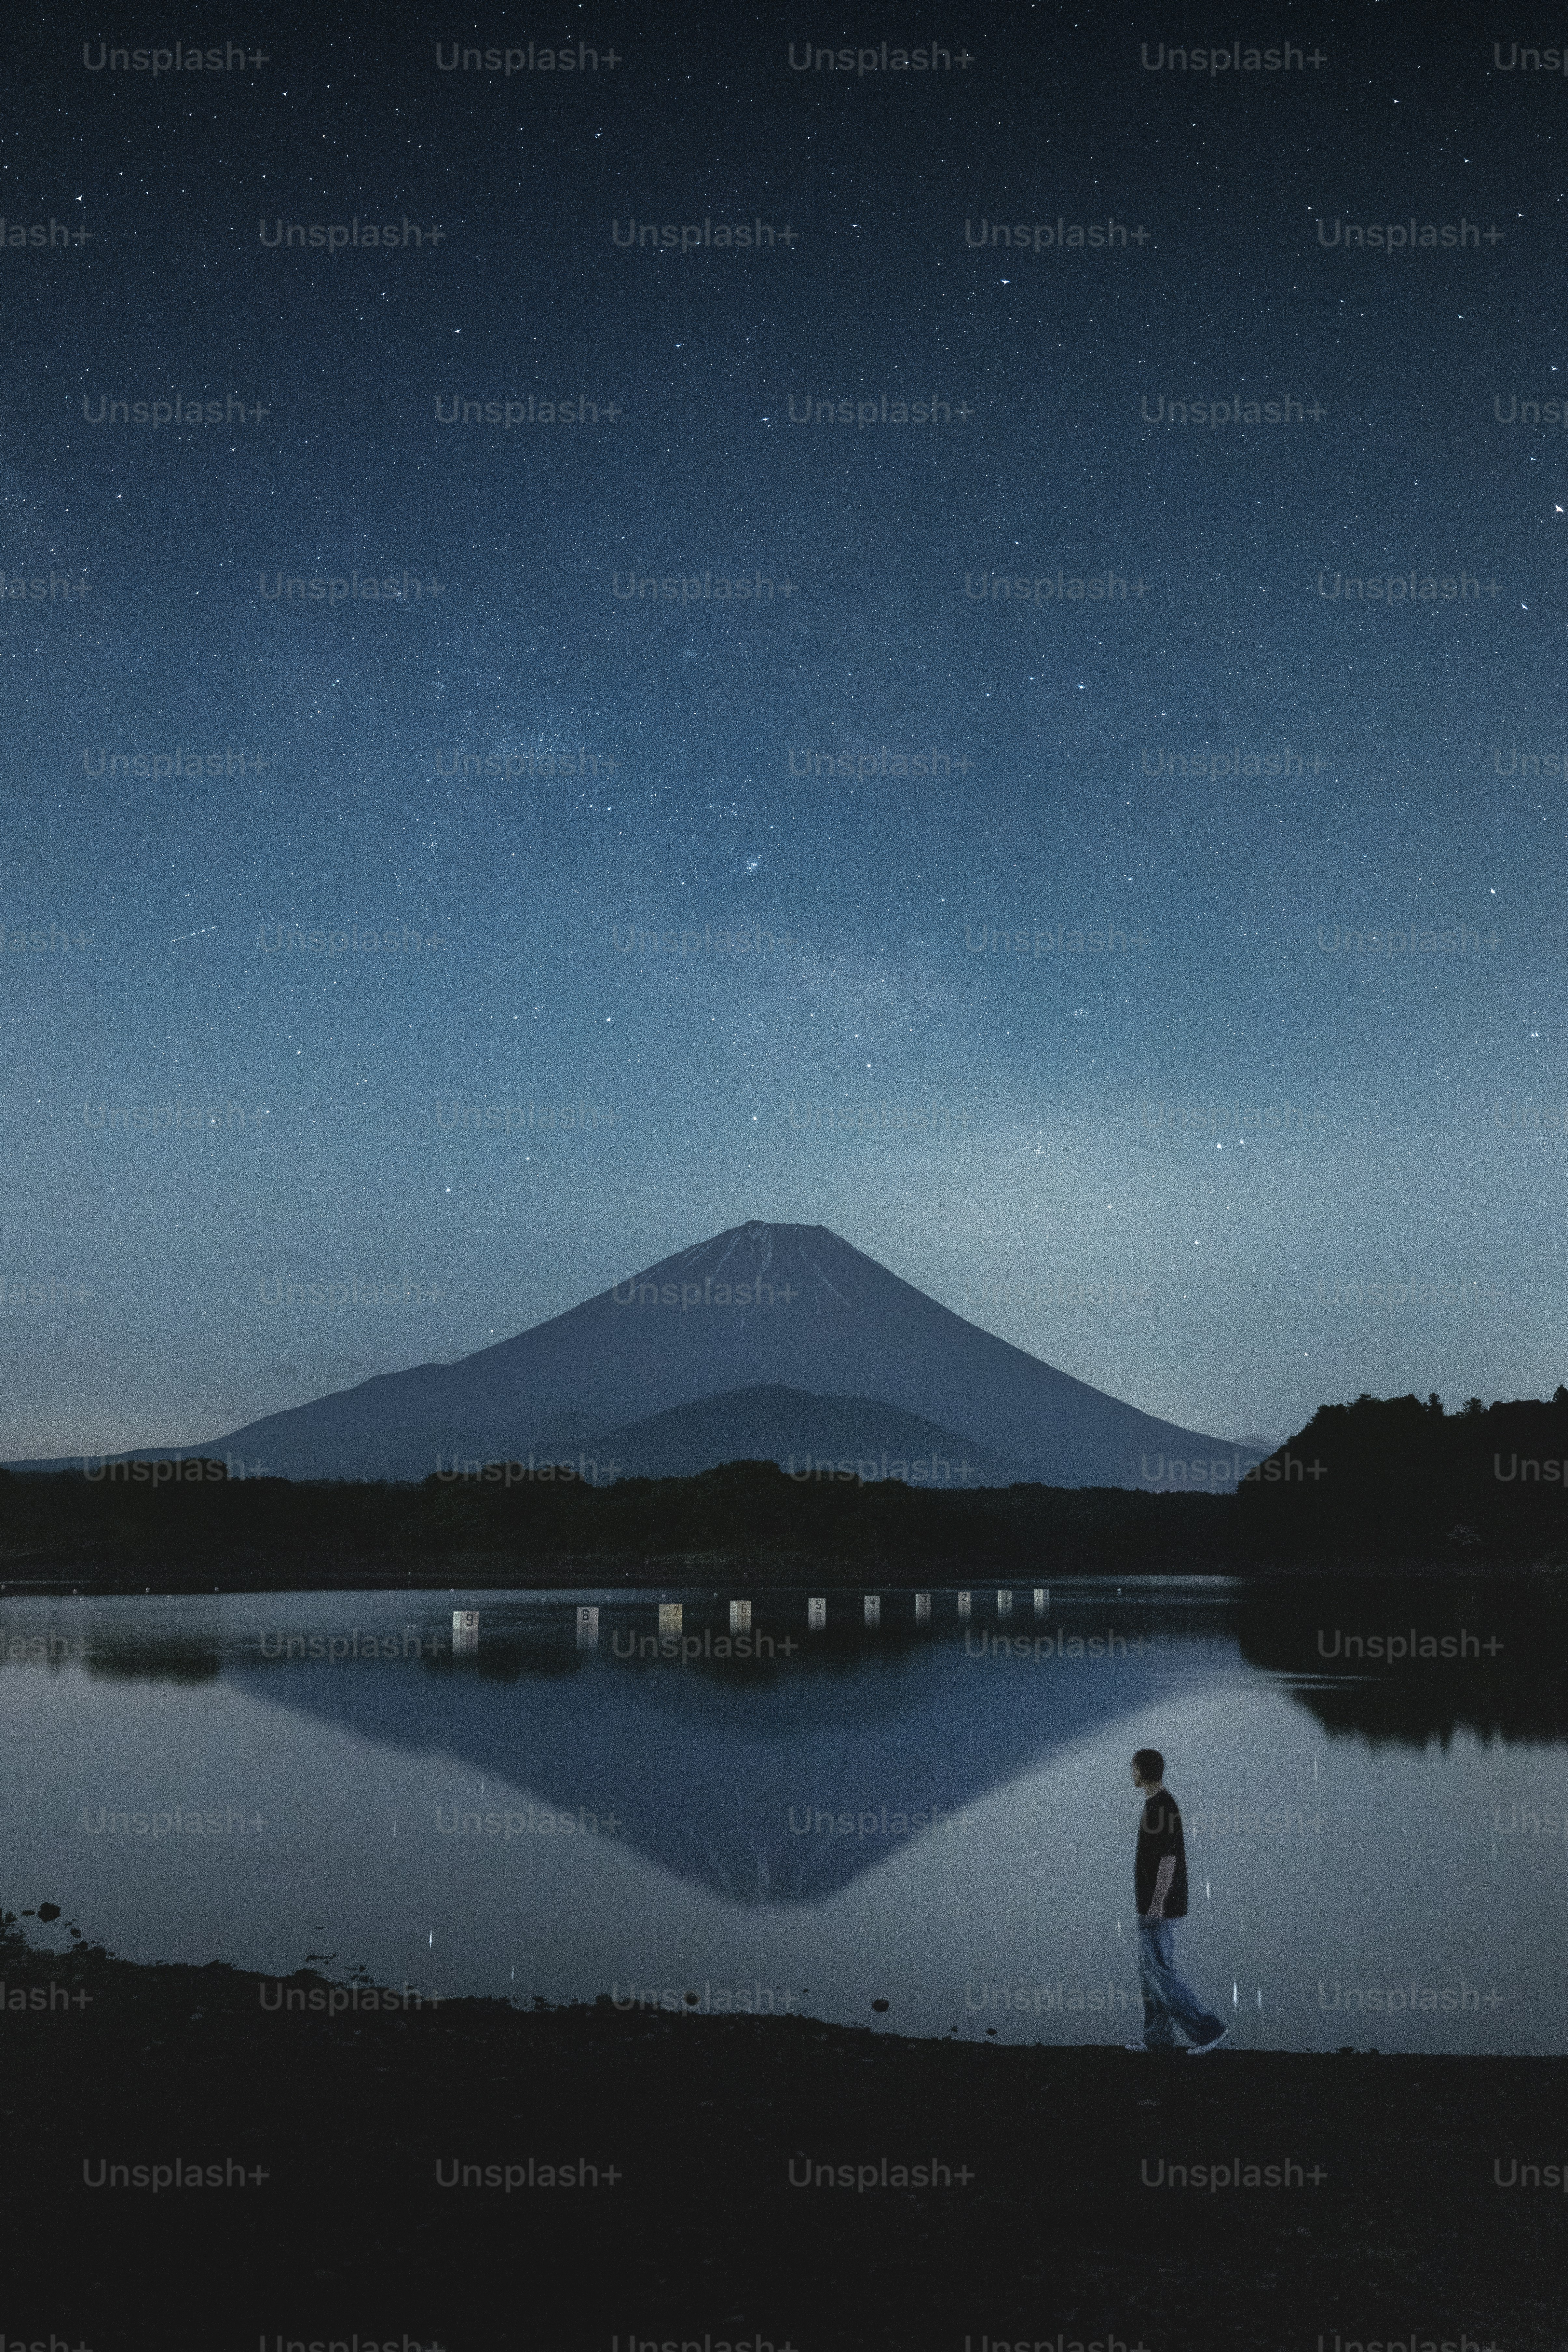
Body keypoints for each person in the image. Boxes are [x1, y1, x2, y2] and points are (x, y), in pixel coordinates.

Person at [1125, 1748, 1229, 2055]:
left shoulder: (1163, 1808)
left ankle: (1209, 2031)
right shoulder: (1155, 1805)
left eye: (1133, 1769)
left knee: (1162, 1975)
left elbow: (1168, 1859)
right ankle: (1157, 2038)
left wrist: (1157, 1903)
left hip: (1161, 1907)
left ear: (1143, 1772)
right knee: (1150, 1976)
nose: (1130, 1774)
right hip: (1151, 1903)